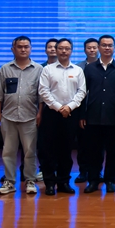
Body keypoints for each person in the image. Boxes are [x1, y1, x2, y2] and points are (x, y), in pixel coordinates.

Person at [0, 36, 43, 195]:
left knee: (30, 151)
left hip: (30, 117)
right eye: (19, 47)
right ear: (13, 49)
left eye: (26, 46)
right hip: (8, 116)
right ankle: (9, 181)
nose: (23, 49)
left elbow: (42, 96)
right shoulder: (5, 69)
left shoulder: (38, 69)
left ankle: (30, 180)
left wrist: (40, 113)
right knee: (8, 151)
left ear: (31, 49)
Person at [38, 38, 86, 195]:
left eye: (67, 48)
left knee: (66, 150)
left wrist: (69, 107)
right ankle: (50, 183)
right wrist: (59, 107)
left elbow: (82, 92)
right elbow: (43, 91)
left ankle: (64, 182)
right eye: (61, 48)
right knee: (49, 149)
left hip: (71, 114)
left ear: (71, 51)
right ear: (56, 50)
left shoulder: (78, 70)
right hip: (52, 113)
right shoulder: (48, 70)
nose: (64, 51)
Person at [80, 35, 115, 194]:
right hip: (93, 116)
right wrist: (82, 115)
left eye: (110, 45)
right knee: (93, 151)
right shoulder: (89, 68)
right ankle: (93, 180)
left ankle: (110, 180)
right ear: (99, 47)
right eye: (104, 45)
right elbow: (82, 93)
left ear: (114, 48)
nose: (107, 48)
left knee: (113, 152)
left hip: (114, 117)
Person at [74, 37, 99, 183]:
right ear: (84, 50)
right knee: (82, 144)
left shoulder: (106, 66)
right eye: (89, 48)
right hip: (82, 110)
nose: (92, 50)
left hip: (99, 112)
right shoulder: (78, 68)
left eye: (94, 47)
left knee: (98, 146)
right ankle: (83, 171)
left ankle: (97, 172)